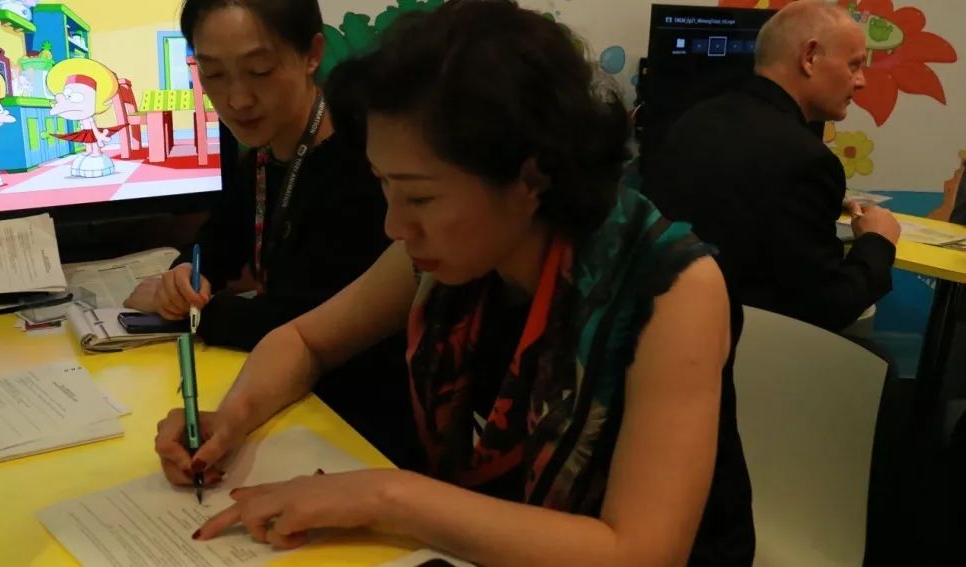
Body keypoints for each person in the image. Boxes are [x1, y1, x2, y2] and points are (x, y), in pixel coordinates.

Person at [154, 1, 755, 564]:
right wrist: (229, 420)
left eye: (420, 197)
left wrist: (386, 497)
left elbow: (641, 552)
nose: (394, 226)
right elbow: (305, 341)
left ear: (530, 179)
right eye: (385, 186)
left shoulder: (671, 289)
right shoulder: (450, 252)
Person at [125, 0, 416, 467]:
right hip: (300, 401)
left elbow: (303, 321)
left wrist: (195, 314)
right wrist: (184, 278)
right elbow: (217, 244)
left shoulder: (362, 160)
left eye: (259, 71)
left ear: (312, 54)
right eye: (213, 74)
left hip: (363, 422)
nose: (238, 99)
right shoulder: (265, 153)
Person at [642, 0, 901, 334]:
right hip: (749, 343)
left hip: (664, 329)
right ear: (810, 57)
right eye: (854, 65)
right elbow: (829, 307)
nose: (861, 81)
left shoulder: (694, 120)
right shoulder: (807, 161)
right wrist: (878, 241)